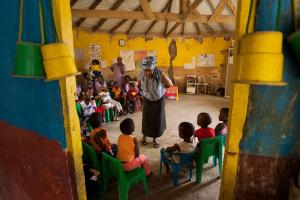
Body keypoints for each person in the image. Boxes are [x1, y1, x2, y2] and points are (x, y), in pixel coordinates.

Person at [139, 56, 173, 148]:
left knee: (157, 119)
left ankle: (155, 138)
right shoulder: (142, 74)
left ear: (153, 68)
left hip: (159, 100)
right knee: (146, 118)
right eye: (145, 69)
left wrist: (163, 87)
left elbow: (170, 84)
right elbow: (140, 83)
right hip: (147, 99)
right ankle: (145, 136)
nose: (147, 72)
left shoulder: (159, 74)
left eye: (149, 70)